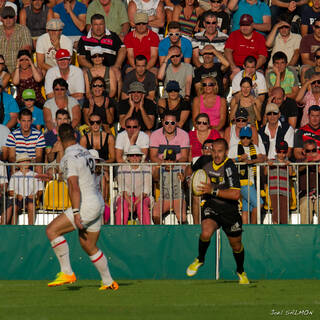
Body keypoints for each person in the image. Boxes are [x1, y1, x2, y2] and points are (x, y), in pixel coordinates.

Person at [37, 123, 119, 290]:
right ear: (75, 136)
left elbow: (74, 186)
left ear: (59, 139)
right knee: (89, 245)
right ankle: (109, 281)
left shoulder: (68, 158)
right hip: (98, 202)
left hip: (85, 204)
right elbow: (79, 176)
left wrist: (75, 213)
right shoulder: (86, 153)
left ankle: (67, 271)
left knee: (52, 230)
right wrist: (52, 176)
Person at [186, 138, 249, 285]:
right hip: (211, 205)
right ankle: (200, 259)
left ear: (226, 152)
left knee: (236, 245)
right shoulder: (205, 160)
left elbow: (235, 194)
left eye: (219, 151)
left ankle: (241, 271)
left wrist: (213, 191)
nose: (216, 154)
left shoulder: (229, 167)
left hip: (229, 210)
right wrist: (190, 178)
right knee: (206, 232)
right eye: (213, 150)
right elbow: (190, 168)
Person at [150, 111, 189, 224]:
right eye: (167, 122)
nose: (170, 125)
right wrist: (164, 164)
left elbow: (185, 157)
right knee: (155, 214)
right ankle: (161, 235)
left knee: (182, 217)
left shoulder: (183, 134)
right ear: (162, 122)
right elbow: (153, 157)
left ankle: (184, 238)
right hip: (164, 195)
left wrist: (173, 164)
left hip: (177, 190)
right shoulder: (155, 134)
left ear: (177, 123)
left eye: (172, 123)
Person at [228, 126, 264, 224]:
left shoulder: (255, 147)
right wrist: (239, 159)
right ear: (240, 137)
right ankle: (253, 227)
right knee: (259, 203)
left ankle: (246, 230)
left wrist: (251, 161)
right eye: (243, 137)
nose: (245, 140)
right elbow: (227, 162)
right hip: (242, 182)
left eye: (247, 137)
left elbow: (261, 159)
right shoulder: (234, 148)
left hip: (252, 181)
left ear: (251, 138)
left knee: (246, 207)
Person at [116, 145, 152, 225]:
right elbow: (122, 189)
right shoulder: (121, 168)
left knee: (142, 206)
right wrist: (130, 202)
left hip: (142, 197)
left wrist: (134, 204)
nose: (134, 157)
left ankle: (147, 231)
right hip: (125, 197)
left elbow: (146, 191)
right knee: (122, 206)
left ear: (140, 157)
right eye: (132, 155)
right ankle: (119, 231)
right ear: (128, 158)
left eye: (137, 155)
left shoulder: (147, 168)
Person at [224, 14, 268, 79]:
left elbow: (263, 57)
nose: (245, 28)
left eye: (247, 25)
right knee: (234, 76)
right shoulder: (234, 35)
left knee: (259, 76)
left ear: (253, 26)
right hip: (237, 66)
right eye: (242, 25)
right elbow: (227, 51)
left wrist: (252, 69)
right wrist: (233, 67)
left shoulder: (260, 37)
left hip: (254, 66)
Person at [6, 153, 44, 225]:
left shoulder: (35, 175)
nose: (26, 162)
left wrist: (35, 196)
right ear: (18, 164)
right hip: (18, 198)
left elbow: (40, 190)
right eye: (23, 161)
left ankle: (31, 227)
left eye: (28, 160)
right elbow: (10, 191)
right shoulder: (14, 176)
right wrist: (17, 195)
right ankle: (13, 228)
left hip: (31, 198)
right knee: (15, 206)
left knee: (31, 205)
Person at [266, 140, 292, 224]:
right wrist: (268, 165)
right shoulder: (272, 161)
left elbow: (291, 173)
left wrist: (289, 165)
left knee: (284, 211)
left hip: (285, 191)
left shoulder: (288, 162)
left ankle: (284, 229)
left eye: (284, 152)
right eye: (279, 152)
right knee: (276, 210)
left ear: (287, 152)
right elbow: (265, 173)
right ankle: (275, 227)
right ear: (276, 151)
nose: (281, 154)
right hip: (274, 190)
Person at [0, 6, 32, 73]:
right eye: (5, 17)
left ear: (15, 18)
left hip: (19, 69)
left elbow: (26, 52)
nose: (8, 20)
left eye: (11, 17)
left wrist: (17, 69)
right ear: (1, 19)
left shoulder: (23, 30)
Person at [298, 139, 320, 224]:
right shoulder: (300, 161)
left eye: (313, 150)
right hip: (305, 195)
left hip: (319, 194)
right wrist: (309, 161)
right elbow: (298, 170)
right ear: (303, 151)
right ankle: (306, 235)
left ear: (317, 150)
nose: (311, 153)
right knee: (305, 205)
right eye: (308, 151)